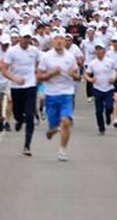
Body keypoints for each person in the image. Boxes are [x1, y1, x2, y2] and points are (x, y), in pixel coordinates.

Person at [37, 28, 79, 162]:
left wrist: (74, 75)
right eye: (56, 39)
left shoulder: (70, 57)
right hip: (51, 94)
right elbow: (39, 77)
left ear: (65, 41)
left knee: (66, 122)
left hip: (67, 93)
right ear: (52, 41)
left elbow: (77, 75)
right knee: (53, 126)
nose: (59, 41)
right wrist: (51, 74)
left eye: (61, 39)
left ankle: (62, 150)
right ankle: (52, 130)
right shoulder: (46, 57)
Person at [2, 27, 40, 156]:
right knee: (18, 113)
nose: (26, 40)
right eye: (24, 37)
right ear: (19, 38)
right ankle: (19, 120)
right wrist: (14, 78)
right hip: (16, 86)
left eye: (28, 38)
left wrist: (39, 75)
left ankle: (27, 145)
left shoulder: (34, 51)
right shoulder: (12, 52)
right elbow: (4, 70)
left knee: (30, 116)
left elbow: (41, 63)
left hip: (30, 85)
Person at [83, 40, 116, 135]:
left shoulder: (110, 62)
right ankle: (101, 128)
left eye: (100, 49)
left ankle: (108, 115)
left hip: (109, 88)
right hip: (97, 88)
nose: (98, 51)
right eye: (96, 49)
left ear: (104, 51)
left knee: (109, 107)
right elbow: (86, 74)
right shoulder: (92, 63)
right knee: (98, 110)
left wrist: (113, 78)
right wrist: (90, 80)